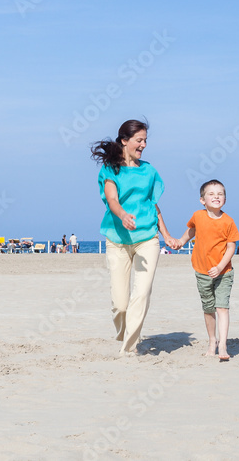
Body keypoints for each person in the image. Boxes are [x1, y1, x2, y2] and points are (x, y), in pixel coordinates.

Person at [92, 119, 174, 357]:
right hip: (117, 240)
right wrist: (122, 215)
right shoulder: (110, 169)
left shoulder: (149, 171)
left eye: (146, 140)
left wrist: (166, 234)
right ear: (124, 141)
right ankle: (124, 333)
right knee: (120, 304)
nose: (144, 145)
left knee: (142, 292)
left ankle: (129, 348)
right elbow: (112, 200)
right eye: (139, 140)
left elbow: (153, 205)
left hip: (147, 238)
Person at [171, 179, 239, 361]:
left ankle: (223, 345)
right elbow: (191, 231)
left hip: (223, 272)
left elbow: (231, 247)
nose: (216, 197)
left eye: (220, 194)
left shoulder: (228, 222)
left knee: (222, 307)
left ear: (225, 198)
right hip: (202, 271)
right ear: (203, 200)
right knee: (208, 309)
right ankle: (212, 341)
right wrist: (180, 241)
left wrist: (219, 266)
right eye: (211, 194)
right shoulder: (198, 216)